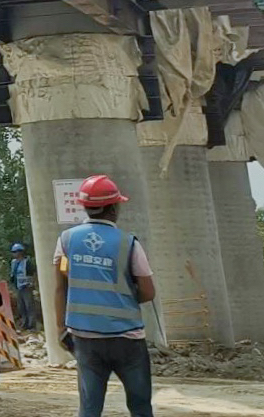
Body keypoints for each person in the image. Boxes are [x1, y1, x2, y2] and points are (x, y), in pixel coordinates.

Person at [53, 174, 157, 417]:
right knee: (140, 406)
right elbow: (148, 291)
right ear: (113, 208)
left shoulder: (66, 241)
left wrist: (60, 328)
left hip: (85, 338)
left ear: (86, 208)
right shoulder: (128, 243)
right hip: (127, 339)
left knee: (89, 408)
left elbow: (60, 286)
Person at [10, 243, 37, 330]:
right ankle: (24, 323)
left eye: (15, 252)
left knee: (29, 306)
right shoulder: (13, 263)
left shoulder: (27, 262)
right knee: (21, 307)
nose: (13, 254)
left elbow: (33, 274)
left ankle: (32, 325)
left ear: (20, 252)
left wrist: (33, 285)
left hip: (26, 287)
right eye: (13, 252)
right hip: (18, 287)